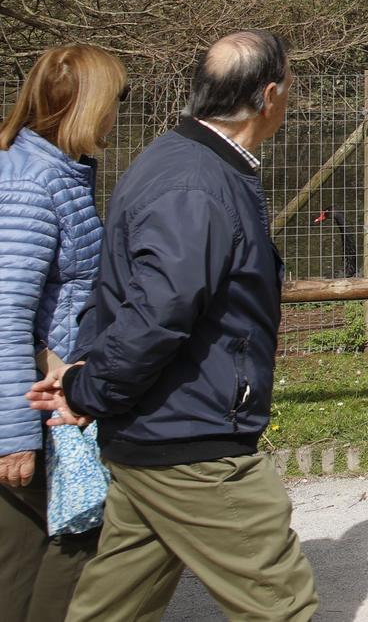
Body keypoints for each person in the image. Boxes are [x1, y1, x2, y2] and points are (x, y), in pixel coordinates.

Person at [29, 31, 317, 621]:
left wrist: (91, 384)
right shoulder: (194, 185)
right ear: (269, 96)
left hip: (156, 433)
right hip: (189, 442)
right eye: (290, 86)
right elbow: (157, 313)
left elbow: (132, 297)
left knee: (115, 607)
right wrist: (89, 389)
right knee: (280, 602)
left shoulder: (193, 162)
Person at [0, 45, 125, 622]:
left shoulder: (59, 170)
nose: (117, 112)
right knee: (80, 535)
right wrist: (15, 436)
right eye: (114, 98)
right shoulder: (30, 182)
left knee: (23, 552)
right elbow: (5, 313)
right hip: (33, 401)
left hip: (48, 392)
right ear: (87, 104)